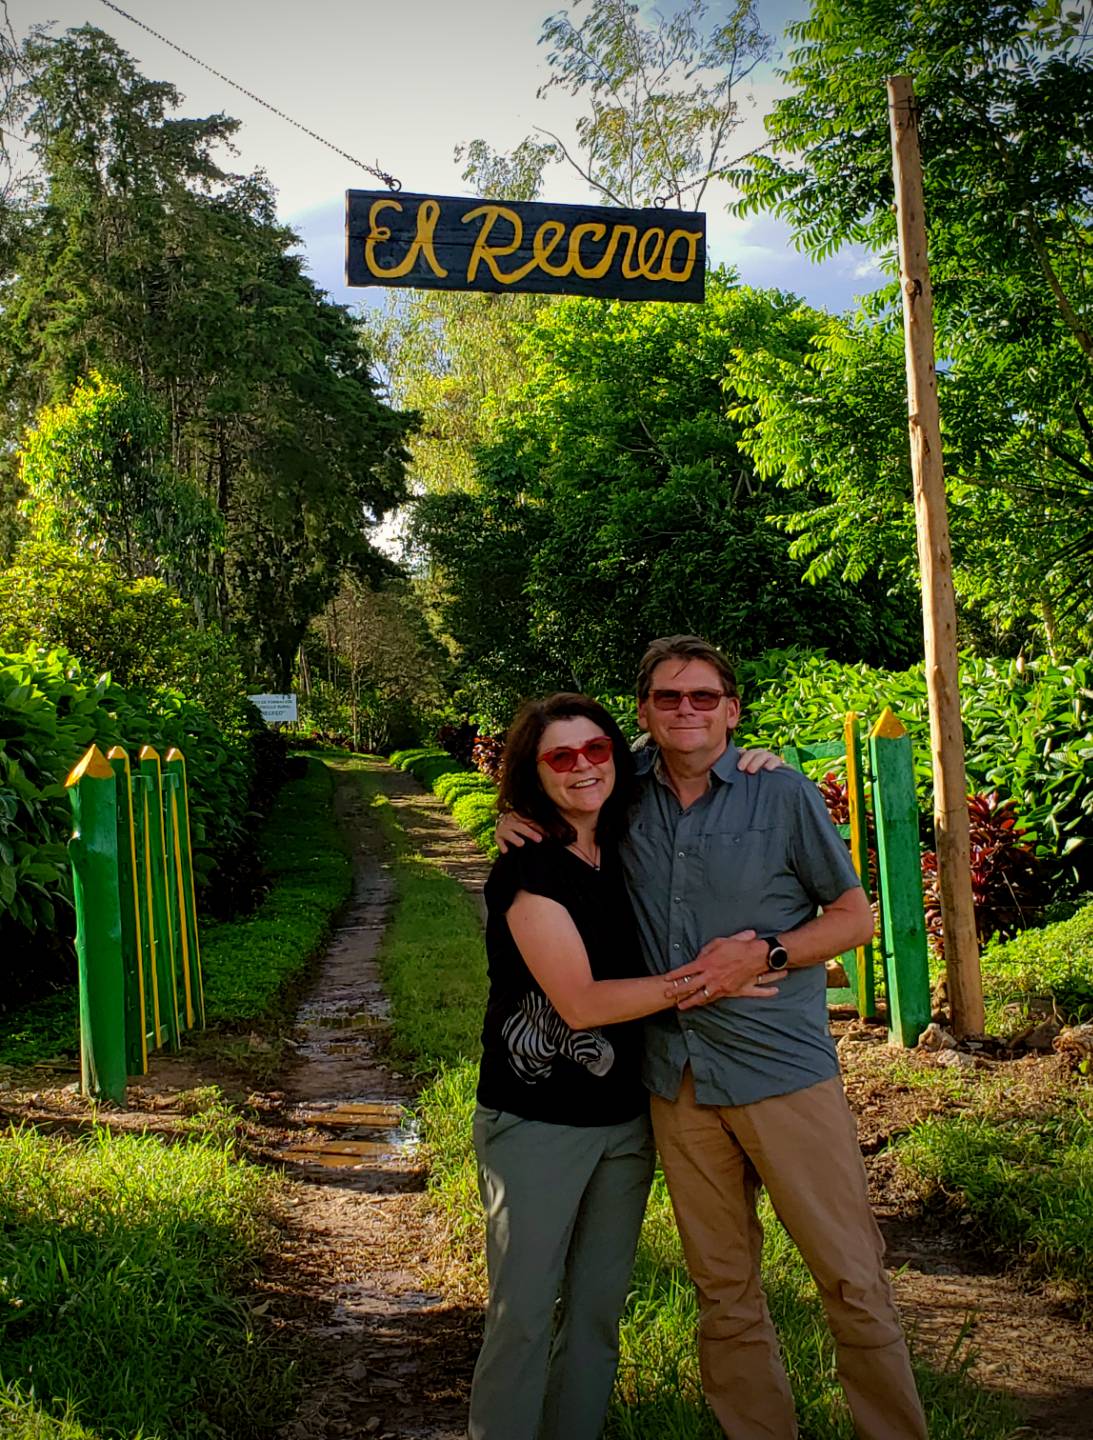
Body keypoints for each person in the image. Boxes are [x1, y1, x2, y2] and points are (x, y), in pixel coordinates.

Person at [497, 637, 929, 1440]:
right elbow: (564, 779)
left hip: (781, 1072)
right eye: (668, 698)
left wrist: (762, 954)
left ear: (732, 709)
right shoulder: (620, 788)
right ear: (644, 712)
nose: (686, 711)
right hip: (677, 1080)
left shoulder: (781, 792)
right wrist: (512, 816)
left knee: (849, 1279)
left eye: (703, 697)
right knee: (723, 1289)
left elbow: (854, 918)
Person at [468, 691, 786, 1440]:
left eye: (595, 749)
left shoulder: (631, 840)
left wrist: (767, 763)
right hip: (537, 1120)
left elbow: (695, 762)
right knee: (522, 1310)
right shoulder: (528, 870)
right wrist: (710, 979)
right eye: (559, 756)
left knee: (596, 1312)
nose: (582, 766)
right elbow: (579, 1004)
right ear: (531, 773)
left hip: (626, 1117)